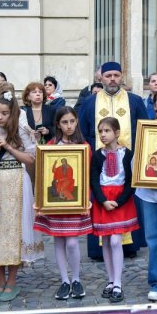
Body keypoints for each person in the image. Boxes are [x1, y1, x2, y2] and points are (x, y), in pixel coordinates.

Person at [78, 61, 148, 259]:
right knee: (100, 198)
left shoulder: (135, 101)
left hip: (128, 162)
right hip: (99, 163)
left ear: (121, 76)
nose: (112, 79)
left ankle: (129, 246)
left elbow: (144, 131)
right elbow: (83, 132)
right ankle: (98, 249)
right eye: (108, 76)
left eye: (116, 75)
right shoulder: (90, 103)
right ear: (101, 77)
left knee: (127, 198)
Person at [0, 95, 40, 302]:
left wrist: (8, 146)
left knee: (15, 232)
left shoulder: (21, 131)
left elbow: (31, 159)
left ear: (12, 114)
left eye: (4, 113)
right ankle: (0, 281)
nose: (0, 117)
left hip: (16, 182)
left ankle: (12, 282)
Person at [33, 106, 93, 301]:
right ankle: (64, 280)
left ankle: (76, 279)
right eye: (64, 122)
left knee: (73, 242)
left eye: (72, 121)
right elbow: (44, 174)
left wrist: (86, 198)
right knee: (58, 241)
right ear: (58, 124)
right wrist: (41, 200)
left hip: (76, 202)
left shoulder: (84, 146)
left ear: (77, 122)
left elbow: (86, 175)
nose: (69, 126)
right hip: (55, 204)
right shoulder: (51, 146)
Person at [90, 116, 138, 303]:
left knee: (116, 241)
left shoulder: (127, 154)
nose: (103, 134)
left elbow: (131, 181)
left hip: (120, 201)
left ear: (117, 133)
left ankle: (118, 282)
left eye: (107, 131)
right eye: (100, 131)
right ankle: (110, 280)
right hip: (103, 200)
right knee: (106, 241)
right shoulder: (97, 155)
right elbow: (94, 180)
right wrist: (102, 201)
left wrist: (119, 201)